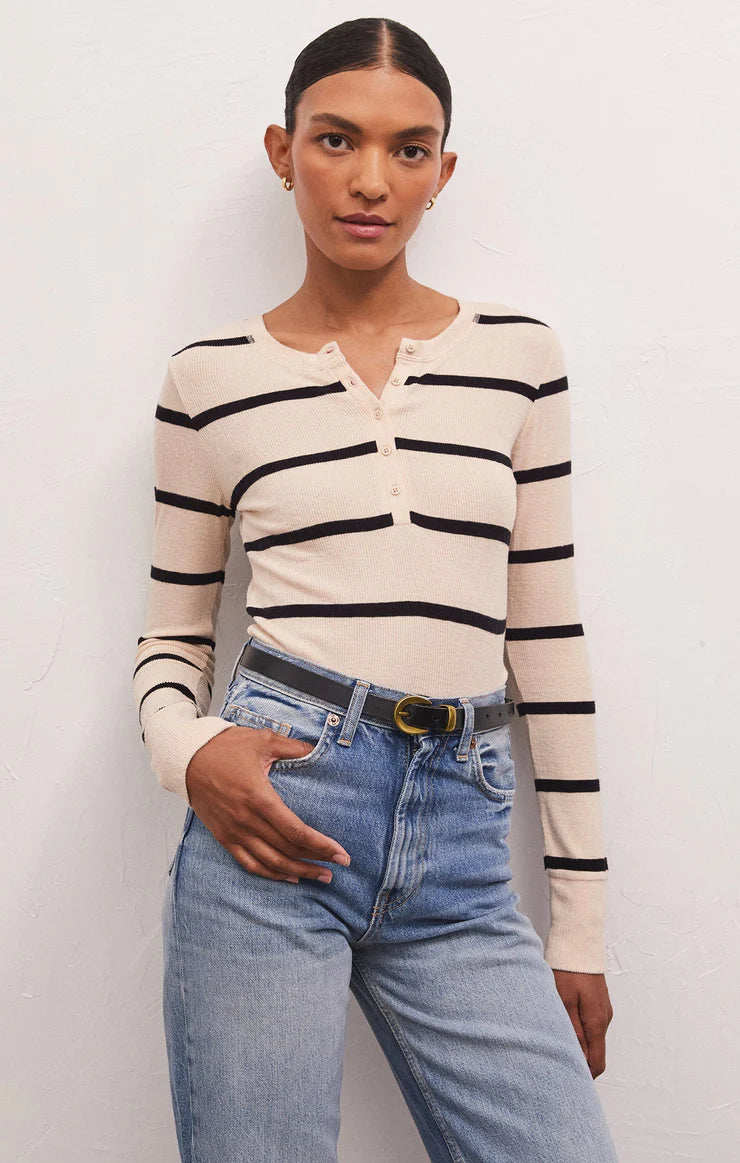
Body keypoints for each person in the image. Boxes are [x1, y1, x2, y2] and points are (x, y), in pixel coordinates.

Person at [132, 16, 618, 1162]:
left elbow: (546, 640)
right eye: (335, 139)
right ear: (281, 151)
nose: (369, 180)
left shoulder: (519, 360)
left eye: (407, 149)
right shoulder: (208, 381)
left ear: (442, 170)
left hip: (462, 840)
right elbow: (169, 638)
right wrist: (189, 753)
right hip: (276, 814)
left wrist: (579, 923)